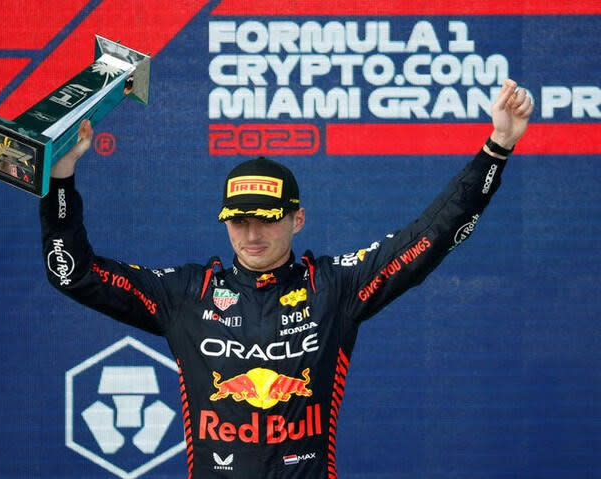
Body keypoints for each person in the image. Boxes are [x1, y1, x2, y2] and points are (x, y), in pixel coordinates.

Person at [40, 78, 533, 478]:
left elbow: (432, 235)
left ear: (296, 219)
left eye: (267, 219)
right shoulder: (187, 294)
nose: (252, 234)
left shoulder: (333, 287)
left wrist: (498, 146)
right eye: (239, 220)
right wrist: (60, 178)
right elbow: (74, 274)